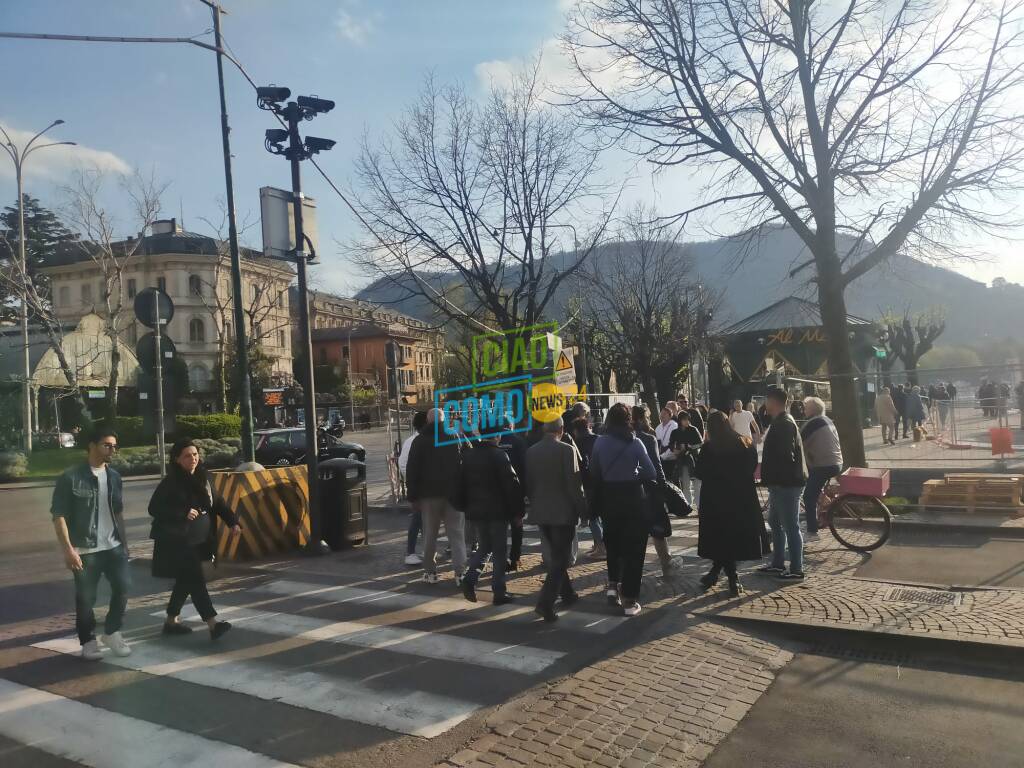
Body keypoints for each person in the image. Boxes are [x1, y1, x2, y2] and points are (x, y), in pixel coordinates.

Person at [50, 426, 132, 661]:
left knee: (124, 587)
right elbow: (59, 515)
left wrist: (124, 543)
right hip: (85, 549)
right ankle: (88, 641)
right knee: (87, 598)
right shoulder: (71, 477)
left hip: (113, 546)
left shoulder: (114, 476)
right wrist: (68, 550)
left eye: (114, 446)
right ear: (92, 446)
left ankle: (112, 632)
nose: (112, 450)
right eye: (107, 445)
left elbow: (117, 512)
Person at [150, 439, 241, 639]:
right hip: (178, 542)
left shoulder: (204, 477)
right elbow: (154, 508)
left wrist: (232, 522)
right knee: (195, 579)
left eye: (195, 454)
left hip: (201, 541)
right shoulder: (171, 482)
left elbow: (218, 503)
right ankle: (213, 624)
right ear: (177, 459)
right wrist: (182, 512)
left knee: (185, 581)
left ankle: (171, 621)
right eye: (187, 456)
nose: (193, 458)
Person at [590, 403, 657, 617]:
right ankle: (629, 599)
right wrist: (634, 473)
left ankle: (612, 587)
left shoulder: (600, 442)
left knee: (613, 542)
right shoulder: (635, 443)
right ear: (629, 420)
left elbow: (594, 471)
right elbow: (651, 471)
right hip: (632, 497)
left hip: (609, 498)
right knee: (634, 549)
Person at [695, 411, 765, 596]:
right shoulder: (745, 443)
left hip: (715, 500)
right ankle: (721, 575)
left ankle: (726, 575)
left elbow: (700, 472)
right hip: (740, 499)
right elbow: (752, 466)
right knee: (732, 537)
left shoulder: (709, 448)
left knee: (720, 538)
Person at [525, 418, 588, 622]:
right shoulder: (566, 450)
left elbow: (530, 483)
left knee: (556, 555)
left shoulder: (531, 451)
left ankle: (567, 593)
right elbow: (574, 486)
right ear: (561, 429)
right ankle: (545, 603)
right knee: (560, 559)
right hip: (563, 512)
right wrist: (583, 510)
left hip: (542, 511)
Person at [456, 435, 523, 605]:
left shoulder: (469, 455)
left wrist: (465, 506)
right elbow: (512, 484)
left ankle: (470, 579)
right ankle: (499, 592)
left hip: (477, 510)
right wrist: (518, 511)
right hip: (497, 511)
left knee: (485, 547)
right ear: (497, 437)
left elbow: (461, 483)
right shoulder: (499, 455)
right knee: (499, 552)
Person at [405, 407, 467, 584]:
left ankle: (430, 573)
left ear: (428, 421)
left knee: (430, 535)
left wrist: (413, 496)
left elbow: (412, 470)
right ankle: (460, 573)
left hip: (428, 495)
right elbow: (462, 464)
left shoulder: (419, 441)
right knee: (456, 534)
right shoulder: (454, 437)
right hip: (453, 494)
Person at [758, 387, 807, 580]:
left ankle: (796, 568)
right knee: (775, 522)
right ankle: (778, 563)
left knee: (790, 525)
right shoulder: (780, 421)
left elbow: (786, 455)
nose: (764, 404)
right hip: (781, 483)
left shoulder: (784, 423)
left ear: (773, 402)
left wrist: (774, 476)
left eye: (766, 400)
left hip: (786, 484)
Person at [632, 405, 675, 577]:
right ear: (642, 419)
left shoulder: (626, 438)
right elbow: (657, 467)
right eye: (648, 418)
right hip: (650, 489)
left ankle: (635, 573)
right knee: (658, 531)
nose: (649, 421)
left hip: (633, 489)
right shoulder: (649, 439)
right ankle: (667, 567)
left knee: (637, 534)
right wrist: (663, 490)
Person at [799, 397, 843, 541]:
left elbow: (797, 441)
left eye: (806, 407)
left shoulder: (813, 423)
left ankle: (812, 532)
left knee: (808, 496)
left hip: (823, 465)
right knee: (813, 486)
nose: (804, 409)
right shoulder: (827, 420)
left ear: (812, 409)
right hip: (836, 463)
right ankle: (821, 507)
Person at [570, 416, 604, 560]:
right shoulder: (599, 439)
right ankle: (599, 544)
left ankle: (600, 546)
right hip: (602, 481)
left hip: (587, 483)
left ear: (576, 430)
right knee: (601, 515)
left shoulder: (576, 443)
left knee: (593, 516)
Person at [399, 411, 429, 566]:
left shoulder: (415, 440)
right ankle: (410, 552)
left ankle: (425, 549)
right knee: (417, 519)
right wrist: (413, 485)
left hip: (420, 486)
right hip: (419, 488)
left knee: (424, 521)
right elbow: (405, 465)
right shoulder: (414, 441)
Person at [670, 411, 703, 508]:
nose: (686, 421)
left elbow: (700, 443)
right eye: (684, 419)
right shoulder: (675, 432)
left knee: (697, 484)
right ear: (680, 420)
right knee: (685, 484)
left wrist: (690, 447)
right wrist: (675, 450)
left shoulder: (693, 430)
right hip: (682, 459)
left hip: (694, 458)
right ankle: (687, 505)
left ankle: (699, 506)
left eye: (688, 419)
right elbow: (671, 444)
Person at [655, 407, 678, 484]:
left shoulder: (674, 426)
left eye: (664, 414)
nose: (662, 415)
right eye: (661, 413)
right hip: (661, 458)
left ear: (669, 415)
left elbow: (674, 444)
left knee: (672, 481)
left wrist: (663, 456)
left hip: (671, 458)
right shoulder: (658, 427)